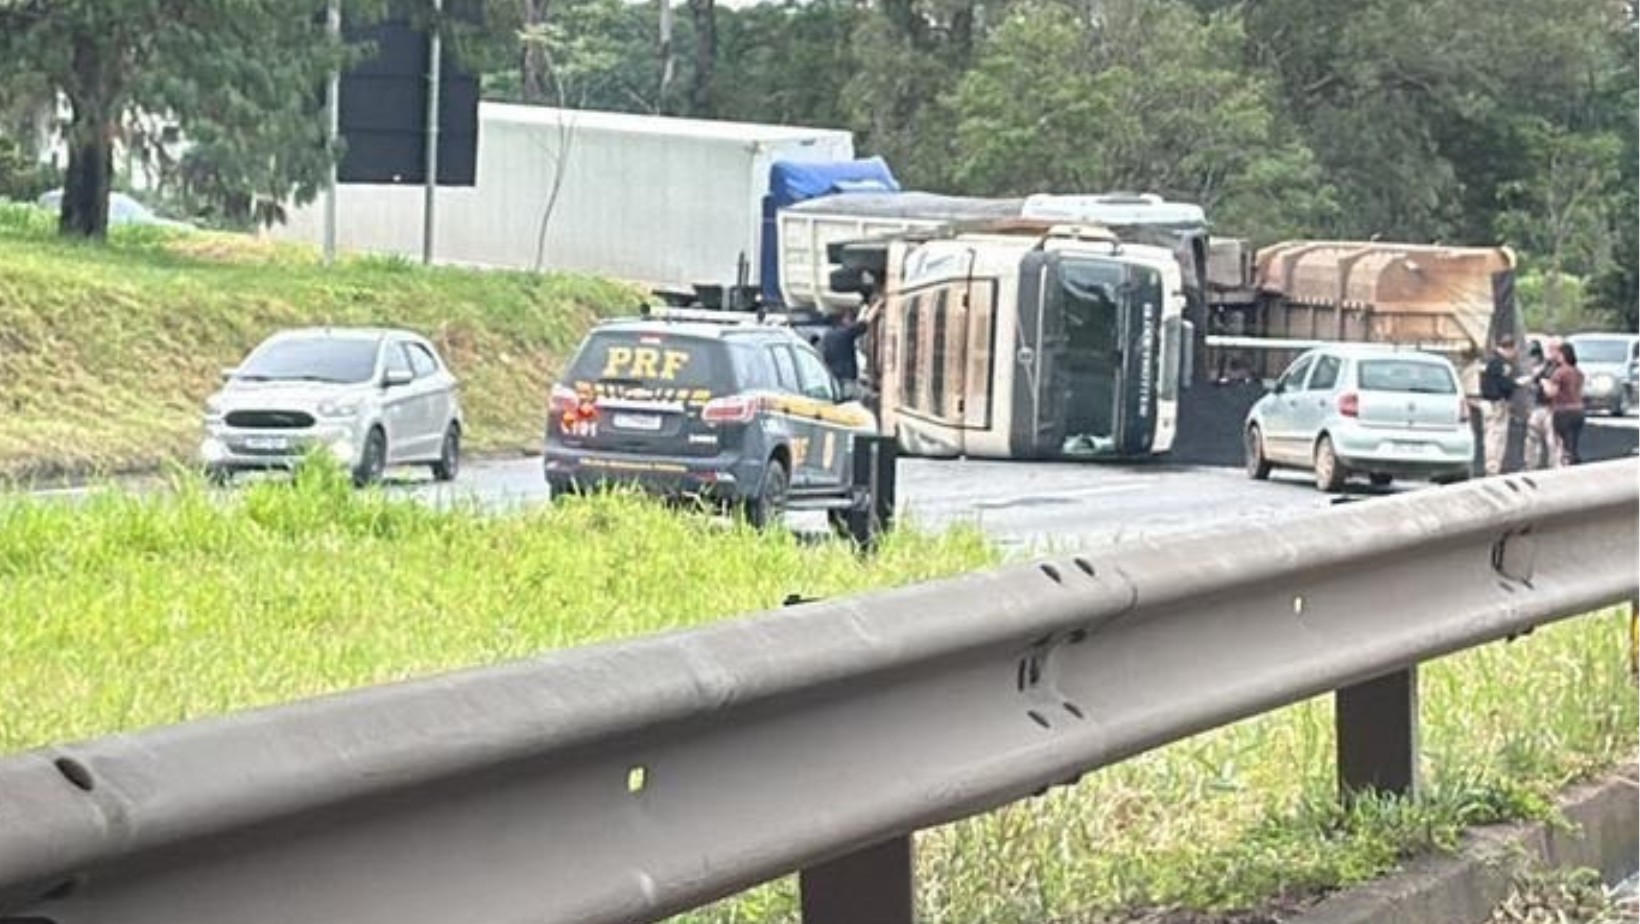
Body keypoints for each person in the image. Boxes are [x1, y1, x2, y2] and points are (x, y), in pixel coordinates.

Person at [819, 298, 879, 401]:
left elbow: (857, 324)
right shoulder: (846, 333)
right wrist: (878, 304)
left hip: (833, 380)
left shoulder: (827, 336)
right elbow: (864, 323)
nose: (850, 320)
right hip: (847, 380)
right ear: (844, 319)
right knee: (866, 400)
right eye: (849, 318)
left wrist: (863, 309)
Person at [1478, 335, 1519, 476]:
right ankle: (1493, 466)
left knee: (1489, 434)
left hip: (1485, 402)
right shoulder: (1503, 364)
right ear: (1510, 348)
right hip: (1497, 403)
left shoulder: (1488, 361)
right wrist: (1515, 384)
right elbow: (1504, 384)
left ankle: (1489, 464)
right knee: (1497, 435)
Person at [1542, 340, 1586, 465]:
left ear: (1563, 355)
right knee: (1573, 441)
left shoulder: (1560, 372)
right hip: (1578, 409)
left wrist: (1544, 384)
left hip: (1563, 410)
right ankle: (1573, 459)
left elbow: (1552, 392)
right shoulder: (1579, 372)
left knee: (1562, 442)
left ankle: (1565, 462)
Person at [1523, 338, 1561, 469]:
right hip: (1538, 405)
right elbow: (1534, 381)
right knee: (1532, 437)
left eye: (1553, 349)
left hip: (1553, 408)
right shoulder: (1545, 366)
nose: (1550, 352)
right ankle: (1530, 464)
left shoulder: (1561, 368)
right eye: (1549, 349)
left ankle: (1555, 466)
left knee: (1553, 440)